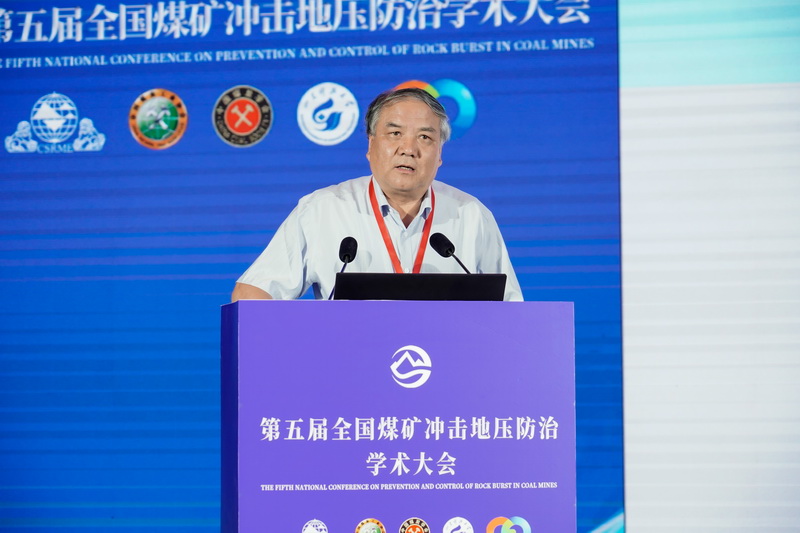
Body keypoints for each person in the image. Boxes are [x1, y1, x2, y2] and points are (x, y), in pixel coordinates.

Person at [231, 87, 522, 301]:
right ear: (371, 145)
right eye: (395, 134)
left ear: (440, 154)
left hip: (446, 364)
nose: (408, 149)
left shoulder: (471, 215)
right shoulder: (323, 209)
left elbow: (511, 313)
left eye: (425, 137)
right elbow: (252, 293)